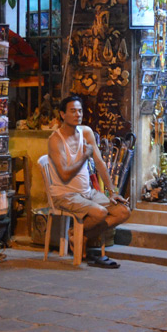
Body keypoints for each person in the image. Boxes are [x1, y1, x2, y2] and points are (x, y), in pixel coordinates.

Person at [47, 95, 131, 268]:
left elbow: (99, 162)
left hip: (87, 193)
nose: (78, 114)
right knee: (100, 213)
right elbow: (64, 175)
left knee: (123, 211)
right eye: (73, 111)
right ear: (62, 115)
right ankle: (77, 234)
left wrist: (112, 191)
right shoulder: (55, 140)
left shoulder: (86, 132)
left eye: (80, 111)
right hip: (65, 194)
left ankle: (80, 234)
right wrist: (85, 155)